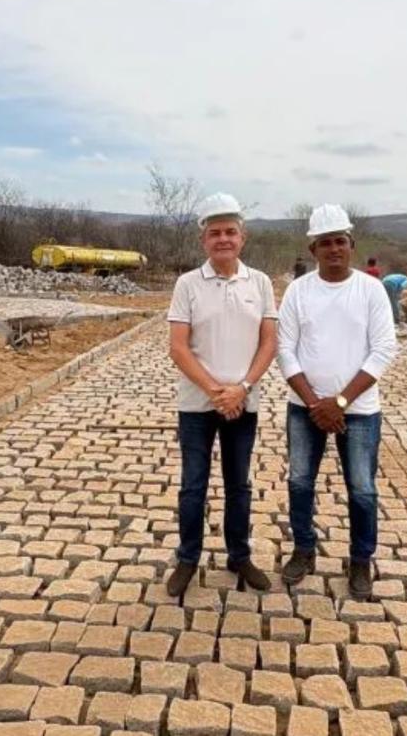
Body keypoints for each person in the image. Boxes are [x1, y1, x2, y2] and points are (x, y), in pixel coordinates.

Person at [276, 203, 397, 600]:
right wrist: (315, 403)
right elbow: (284, 350)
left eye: (340, 241)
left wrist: (341, 401)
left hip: (360, 410)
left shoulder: (371, 290)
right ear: (313, 250)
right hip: (304, 407)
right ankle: (304, 550)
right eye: (324, 243)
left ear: (352, 244)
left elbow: (383, 350)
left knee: (362, 488)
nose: (333, 249)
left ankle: (361, 559)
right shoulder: (299, 290)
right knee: (299, 482)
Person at [165, 192, 277, 596]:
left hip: (243, 404)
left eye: (231, 231)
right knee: (193, 485)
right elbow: (178, 346)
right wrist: (217, 391)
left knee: (239, 485)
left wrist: (242, 389)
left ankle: (239, 556)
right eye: (215, 233)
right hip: (197, 405)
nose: (223, 239)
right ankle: (188, 558)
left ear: (242, 237)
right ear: (204, 241)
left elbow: (269, 343)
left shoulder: (260, 283)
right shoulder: (188, 284)